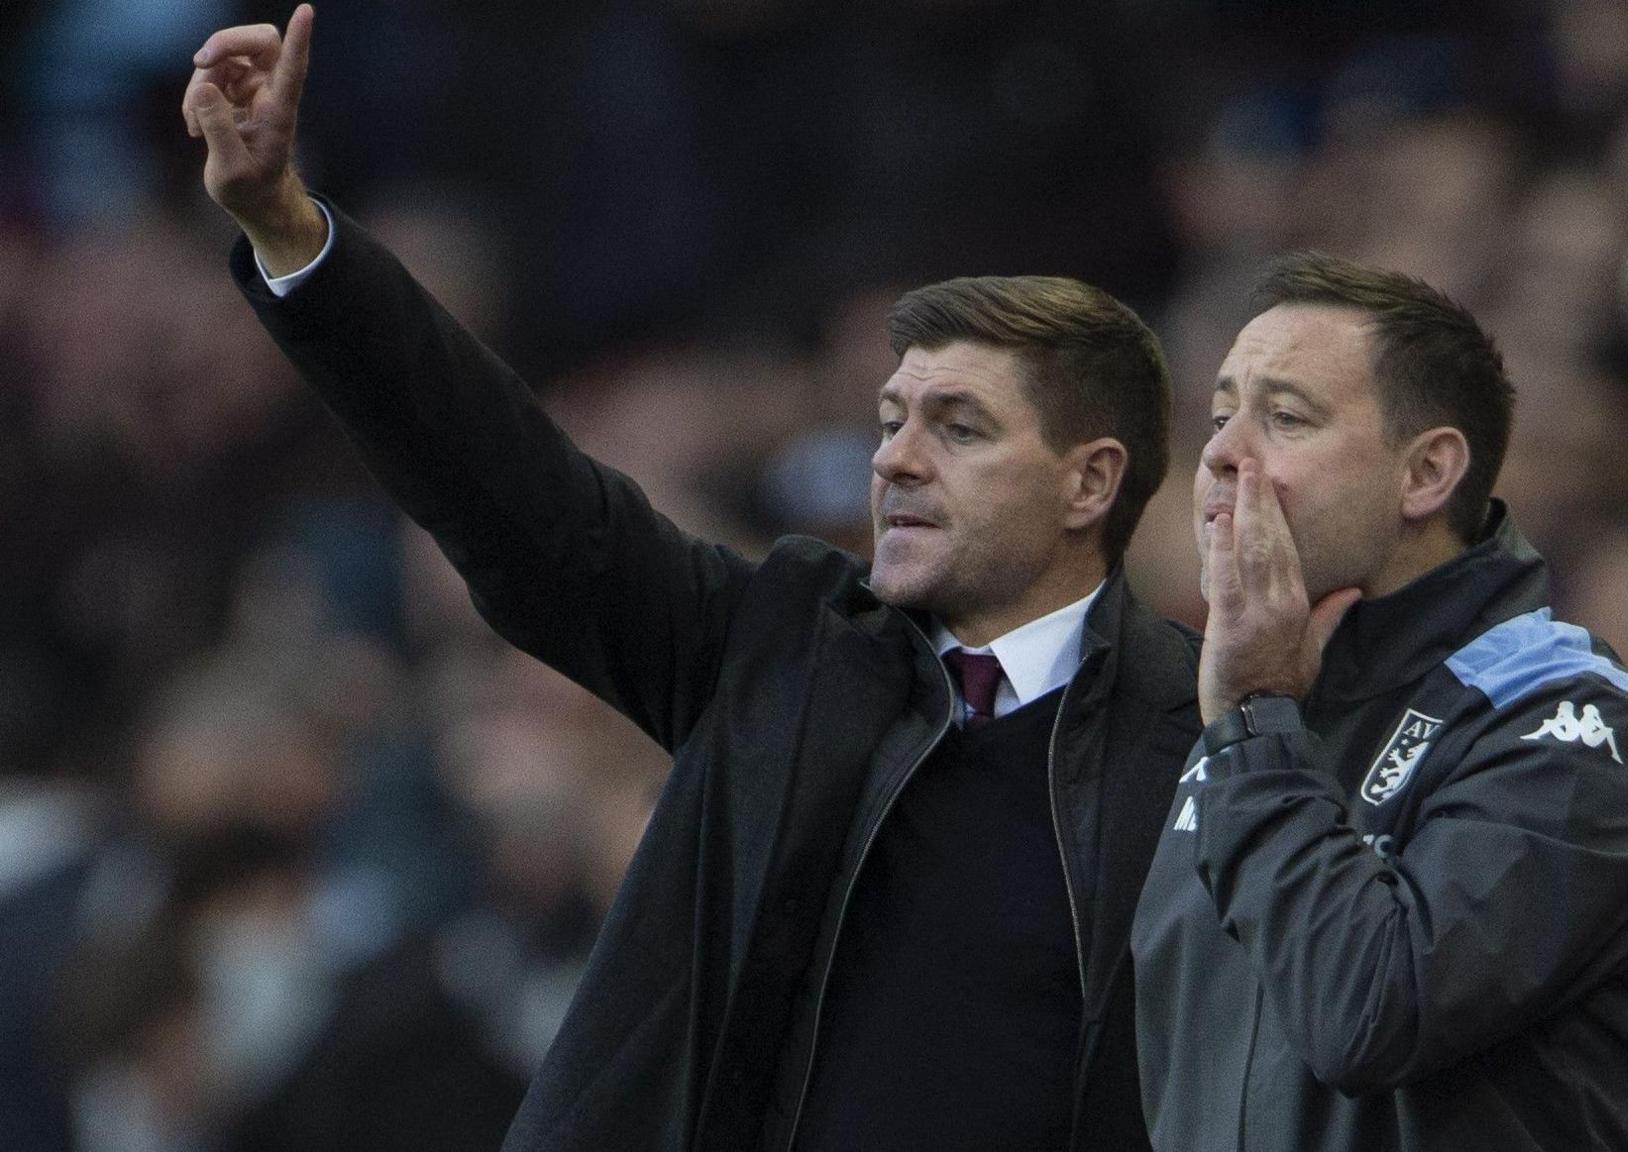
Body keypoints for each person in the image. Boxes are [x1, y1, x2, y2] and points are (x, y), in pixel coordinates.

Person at [181, 8, 1201, 1150]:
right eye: (887, 420)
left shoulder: (1212, 745)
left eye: (956, 428)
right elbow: (514, 494)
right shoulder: (787, 645)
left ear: (1088, 483)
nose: (894, 458)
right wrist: (295, 238)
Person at [1132, 252, 1628, 1150]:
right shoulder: (1227, 734)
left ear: (1426, 473)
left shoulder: (1568, 726)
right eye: (1221, 416)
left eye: (1284, 418)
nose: (1221, 450)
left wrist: (1257, 717)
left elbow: (1368, 1013)